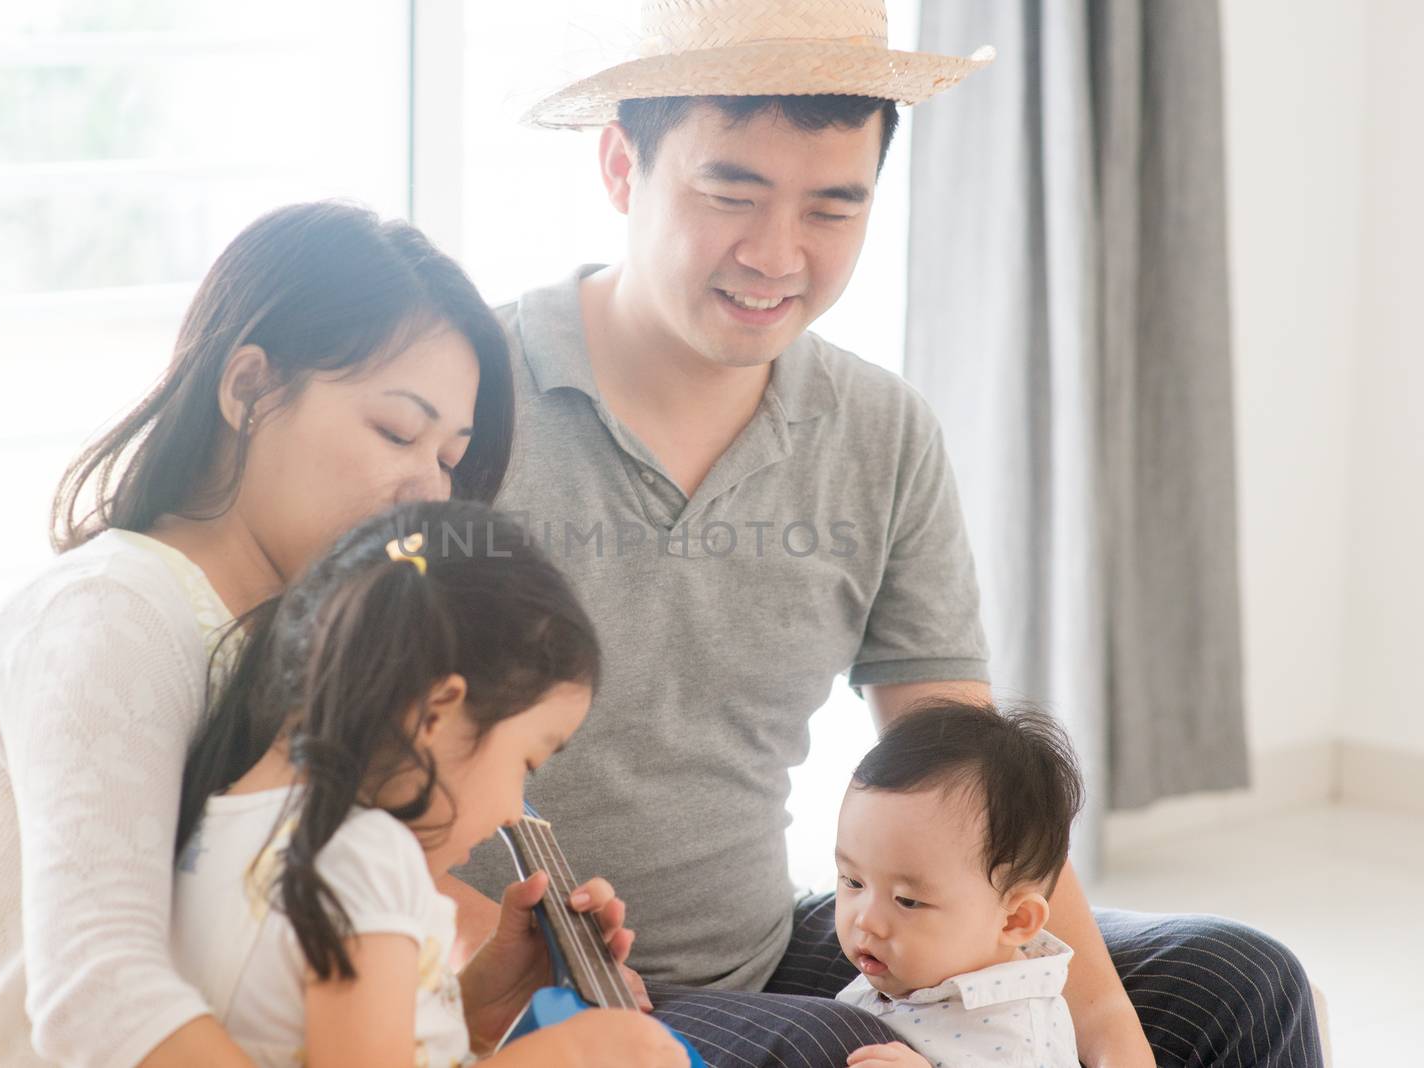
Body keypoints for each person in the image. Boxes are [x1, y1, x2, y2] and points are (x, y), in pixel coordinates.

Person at [452, 2, 1323, 1065]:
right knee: (841, 1056)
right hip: (560, 989)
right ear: (621, 167)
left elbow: (972, 793)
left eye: (832, 207)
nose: (777, 255)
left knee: (1236, 978)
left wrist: (1099, 1025)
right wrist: (483, 969)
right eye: (731, 192)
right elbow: (326, 779)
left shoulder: (877, 429)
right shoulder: (461, 405)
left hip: (774, 948)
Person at [0, 200, 518, 1067]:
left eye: (449, 459)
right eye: (397, 430)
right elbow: (101, 1001)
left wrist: (473, 1003)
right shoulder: (111, 619)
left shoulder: (283, 661)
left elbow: (256, 998)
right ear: (248, 389)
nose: (428, 492)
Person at [169, 500, 687, 1067]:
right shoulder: (364, 855)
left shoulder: (221, 824)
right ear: (436, 713)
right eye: (526, 763)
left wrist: (478, 1002)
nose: (515, 811)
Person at [832, 702, 1083, 1068]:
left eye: (908, 901)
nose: (865, 920)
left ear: (1014, 921)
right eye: (853, 881)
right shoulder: (903, 973)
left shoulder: (1019, 1035)